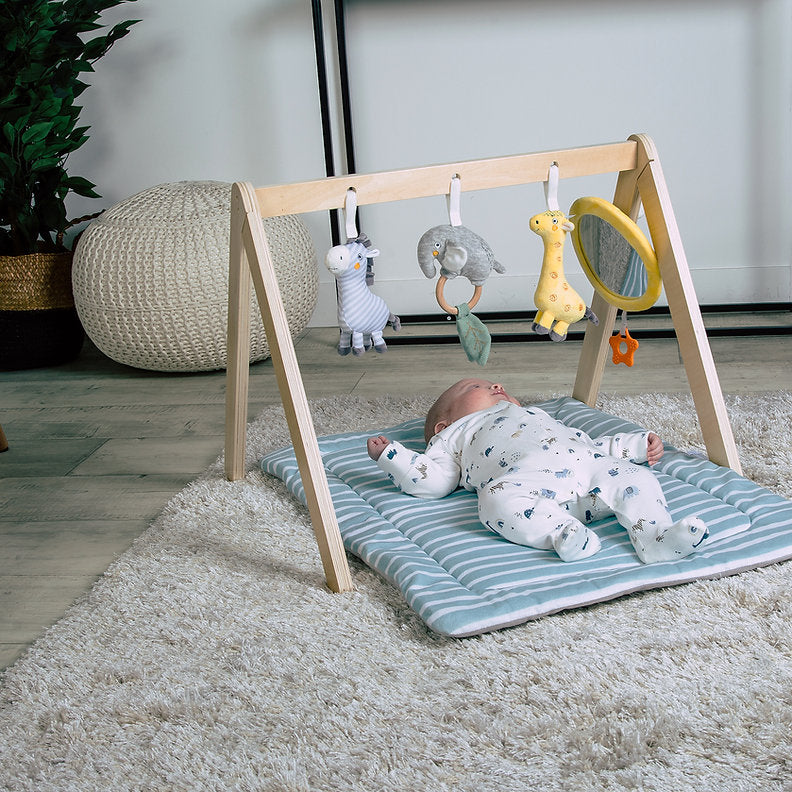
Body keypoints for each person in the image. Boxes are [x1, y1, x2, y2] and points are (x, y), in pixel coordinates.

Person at [367, 378, 709, 563]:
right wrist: (393, 456)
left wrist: (634, 447)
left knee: (635, 477)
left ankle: (655, 537)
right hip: (527, 488)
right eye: (476, 388)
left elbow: (586, 442)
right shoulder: (452, 437)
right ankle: (561, 534)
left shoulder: (535, 414)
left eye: (497, 385)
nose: (496, 386)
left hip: (586, 474)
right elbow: (435, 481)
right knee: (496, 501)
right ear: (445, 424)